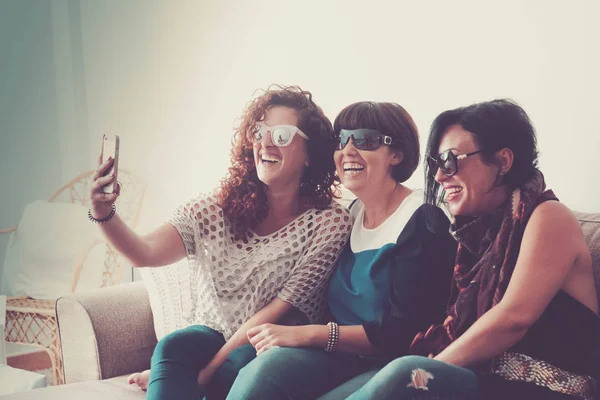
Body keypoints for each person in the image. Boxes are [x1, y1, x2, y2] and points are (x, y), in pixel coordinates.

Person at [87, 85, 353, 400]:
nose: (265, 143)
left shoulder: (328, 221)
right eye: (259, 131)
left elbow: (276, 311)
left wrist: (204, 375)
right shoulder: (216, 207)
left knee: (236, 364)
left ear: (309, 154)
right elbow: (143, 253)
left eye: (281, 135)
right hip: (212, 334)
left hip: (274, 341)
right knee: (174, 345)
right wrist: (103, 212)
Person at [336, 99, 600, 400]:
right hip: (487, 380)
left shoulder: (549, 216)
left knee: (405, 375)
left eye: (450, 160)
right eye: (437, 164)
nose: (439, 176)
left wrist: (429, 368)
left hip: (552, 388)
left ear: (502, 161)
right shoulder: (478, 238)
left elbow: (513, 318)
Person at [226, 101, 457, 399]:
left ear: (397, 154)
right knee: (263, 367)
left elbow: (405, 332)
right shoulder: (349, 214)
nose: (347, 149)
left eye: (365, 140)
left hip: (394, 365)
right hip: (339, 357)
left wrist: (309, 334)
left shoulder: (423, 217)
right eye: (341, 139)